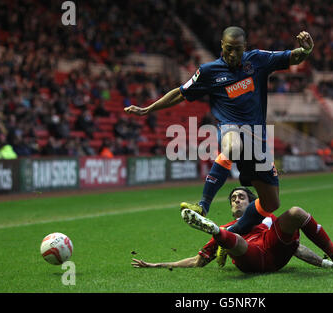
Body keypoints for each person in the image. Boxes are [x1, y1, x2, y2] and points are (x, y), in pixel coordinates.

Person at [125, 26, 315, 235]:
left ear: (245, 47)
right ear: (222, 46)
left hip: (257, 141)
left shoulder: (258, 60)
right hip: (230, 127)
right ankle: (203, 205)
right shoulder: (208, 72)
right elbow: (180, 93)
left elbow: (292, 58)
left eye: (239, 49)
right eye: (229, 49)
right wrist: (148, 109)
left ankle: (232, 233)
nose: (234, 54)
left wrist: (305, 50)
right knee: (233, 145)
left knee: (271, 203)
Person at [132, 187, 333, 273]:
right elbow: (198, 261)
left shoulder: (268, 219)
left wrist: (324, 264)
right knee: (234, 238)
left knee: (297, 213)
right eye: (233, 198)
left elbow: (296, 248)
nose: (236, 200)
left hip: (275, 252)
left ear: (251, 203)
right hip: (250, 258)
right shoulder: (230, 226)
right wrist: (158, 265)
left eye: (241, 197)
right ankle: (217, 233)